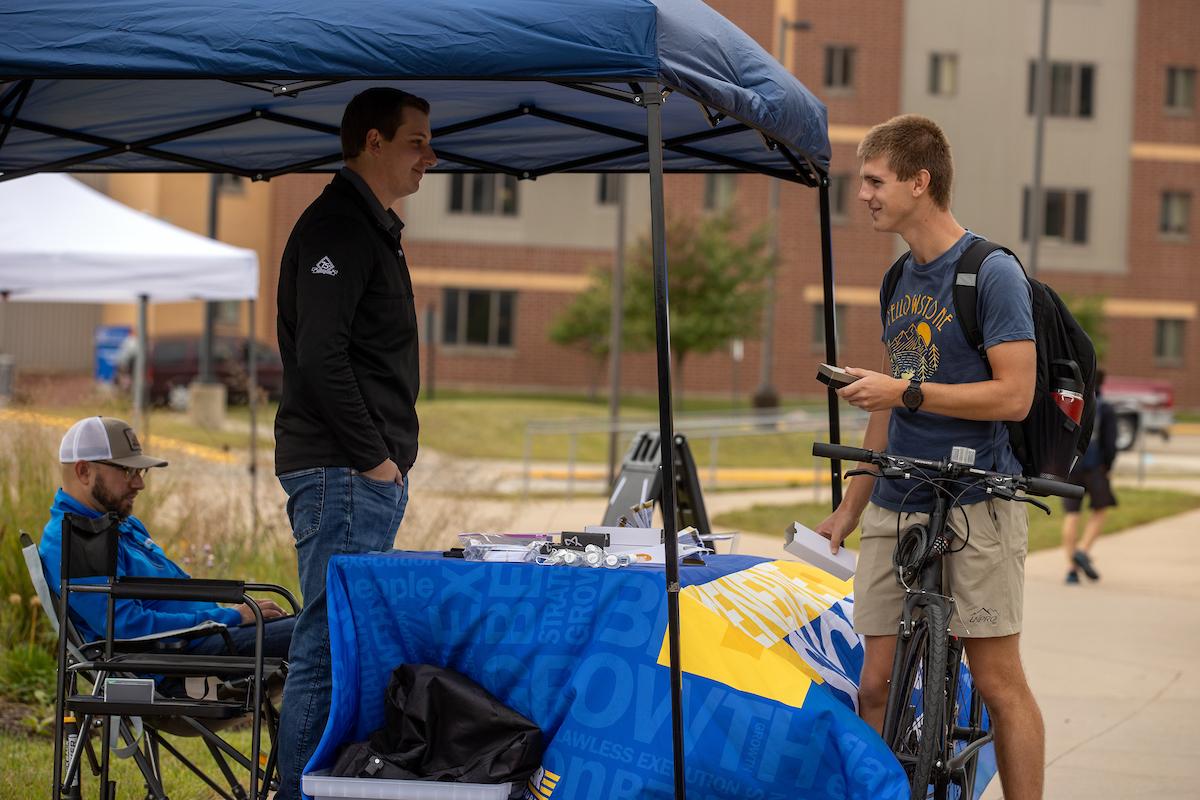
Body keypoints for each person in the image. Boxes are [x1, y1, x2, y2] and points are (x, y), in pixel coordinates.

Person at [815, 115, 1044, 799]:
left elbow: (1015, 396)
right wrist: (850, 506)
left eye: (876, 181)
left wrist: (905, 391)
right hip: (896, 498)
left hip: (977, 500)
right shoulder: (898, 280)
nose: (865, 195)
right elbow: (890, 403)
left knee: (1001, 686)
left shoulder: (990, 273)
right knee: (875, 684)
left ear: (921, 181)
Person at [273, 87, 436, 800]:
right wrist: (375, 460)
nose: (431, 157)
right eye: (416, 142)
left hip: (359, 474)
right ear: (373, 142)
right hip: (344, 473)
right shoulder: (340, 225)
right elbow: (321, 356)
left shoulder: (372, 227)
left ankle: (321, 787)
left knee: (343, 644)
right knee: (328, 647)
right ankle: (298, 792)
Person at [39, 416, 292, 660]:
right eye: (128, 471)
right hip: (179, 654)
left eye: (141, 472)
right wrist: (231, 618)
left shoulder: (117, 524)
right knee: (318, 631)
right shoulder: (77, 539)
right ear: (84, 471)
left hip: (204, 637)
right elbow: (127, 627)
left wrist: (226, 616)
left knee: (315, 625)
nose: (139, 484)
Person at [1061, 370, 1119, 584]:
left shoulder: (1072, 402)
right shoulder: (1105, 407)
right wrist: (1109, 465)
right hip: (1096, 466)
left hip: (1071, 466)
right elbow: (1110, 442)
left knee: (1072, 515)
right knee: (1100, 509)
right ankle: (1083, 550)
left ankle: (1071, 569)